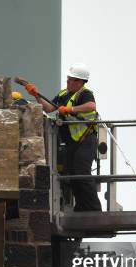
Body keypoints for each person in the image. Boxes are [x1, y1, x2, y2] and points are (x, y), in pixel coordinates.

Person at [24, 63, 102, 212]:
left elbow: (91, 106)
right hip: (72, 142)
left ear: (79, 82)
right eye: (67, 78)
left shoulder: (84, 93)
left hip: (85, 141)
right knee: (71, 173)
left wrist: (70, 109)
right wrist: (36, 95)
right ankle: (81, 207)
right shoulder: (63, 94)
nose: (67, 81)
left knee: (81, 172)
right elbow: (49, 108)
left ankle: (93, 209)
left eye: (71, 79)